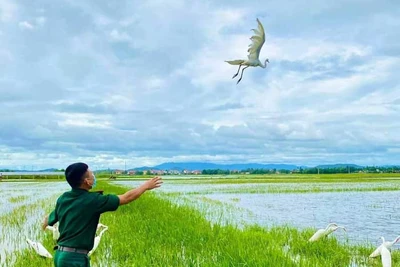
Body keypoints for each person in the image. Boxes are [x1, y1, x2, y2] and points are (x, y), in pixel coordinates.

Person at [41, 162, 162, 267]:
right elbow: (126, 198)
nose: (94, 177)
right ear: (86, 182)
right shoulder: (93, 200)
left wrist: (44, 225)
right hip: (74, 259)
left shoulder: (64, 198)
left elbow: (48, 220)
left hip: (61, 255)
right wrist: (146, 186)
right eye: (91, 175)